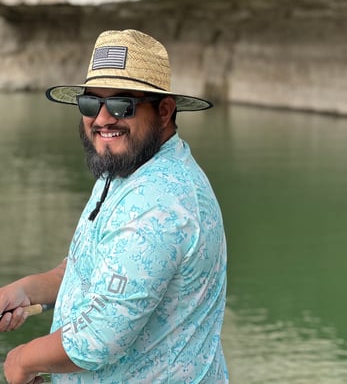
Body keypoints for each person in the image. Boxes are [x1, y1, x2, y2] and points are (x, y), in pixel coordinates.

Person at [0, 29, 228, 383]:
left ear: (165, 111)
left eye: (123, 105)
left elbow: (96, 340)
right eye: (91, 104)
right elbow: (93, 269)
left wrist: (21, 361)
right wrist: (25, 292)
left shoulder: (159, 202)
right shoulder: (127, 167)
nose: (103, 119)